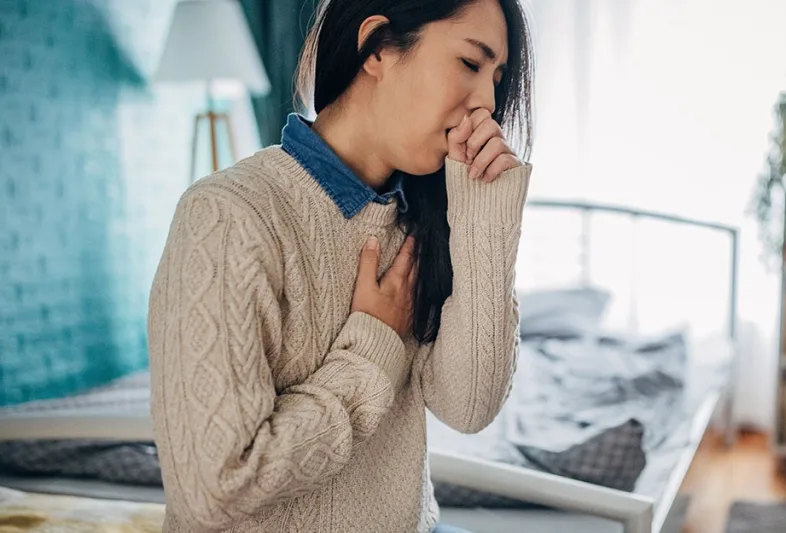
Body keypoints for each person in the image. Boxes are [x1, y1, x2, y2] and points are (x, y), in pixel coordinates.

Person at [146, 0, 533, 531]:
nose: (486, 104)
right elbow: (214, 488)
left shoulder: (419, 222)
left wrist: (487, 220)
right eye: (470, 63)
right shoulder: (229, 215)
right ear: (377, 48)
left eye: (497, 78)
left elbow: (469, 408)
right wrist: (372, 350)